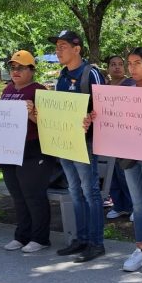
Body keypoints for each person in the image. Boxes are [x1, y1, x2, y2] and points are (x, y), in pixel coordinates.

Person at [86, 48, 142, 271]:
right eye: (130, 63)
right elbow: (114, 118)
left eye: (137, 63)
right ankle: (140, 249)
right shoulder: (127, 89)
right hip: (129, 154)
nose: (132, 68)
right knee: (137, 203)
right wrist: (97, 116)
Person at [46, 30, 107, 261]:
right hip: (65, 143)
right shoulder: (62, 75)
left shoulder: (92, 74)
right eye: (57, 46)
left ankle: (96, 243)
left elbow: (105, 108)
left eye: (62, 46)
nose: (58, 51)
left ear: (77, 49)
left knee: (90, 191)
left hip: (85, 143)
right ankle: (81, 239)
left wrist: (92, 119)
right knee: (74, 191)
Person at [1, 50, 57, 253]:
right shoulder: (7, 90)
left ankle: (40, 238)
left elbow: (50, 125)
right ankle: (21, 235)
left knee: (33, 194)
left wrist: (32, 114)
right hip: (9, 149)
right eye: (13, 67)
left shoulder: (39, 91)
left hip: (34, 149)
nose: (15, 71)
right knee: (17, 195)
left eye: (21, 67)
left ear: (32, 70)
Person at [103, 55, 133, 219]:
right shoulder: (104, 87)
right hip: (109, 136)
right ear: (108, 68)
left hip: (125, 135)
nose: (117, 67)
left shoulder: (130, 84)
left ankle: (134, 206)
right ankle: (120, 205)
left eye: (120, 64)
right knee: (112, 173)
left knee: (125, 172)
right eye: (113, 64)